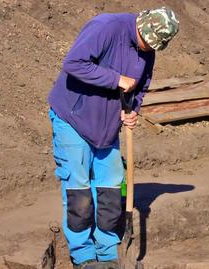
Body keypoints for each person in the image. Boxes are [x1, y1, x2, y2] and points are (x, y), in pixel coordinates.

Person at [47, 7, 179, 269]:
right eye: (147, 43)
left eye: (154, 47)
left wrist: (132, 111)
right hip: (73, 117)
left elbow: (140, 87)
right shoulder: (106, 27)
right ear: (142, 25)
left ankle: (107, 254)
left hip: (107, 127)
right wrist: (115, 79)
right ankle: (83, 257)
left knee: (109, 191)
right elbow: (73, 63)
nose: (148, 50)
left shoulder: (147, 50)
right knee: (79, 193)